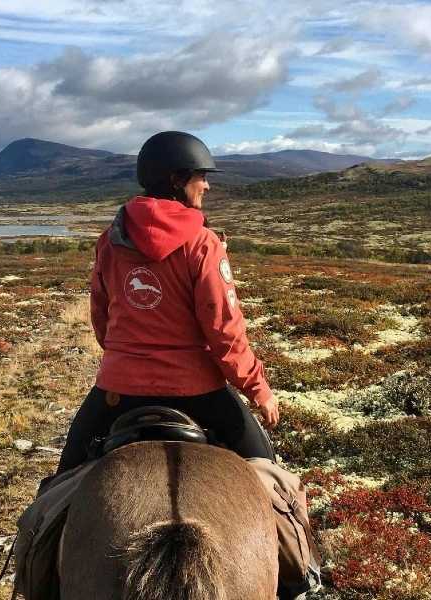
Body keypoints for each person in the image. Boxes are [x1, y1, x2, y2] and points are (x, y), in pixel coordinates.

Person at [55, 131, 280, 475]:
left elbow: (101, 316)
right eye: (201, 176)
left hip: (119, 388)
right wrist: (258, 388)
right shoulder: (203, 244)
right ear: (177, 180)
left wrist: (127, 356)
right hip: (197, 389)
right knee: (270, 476)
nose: (206, 186)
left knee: (63, 480)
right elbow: (224, 330)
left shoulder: (109, 240)